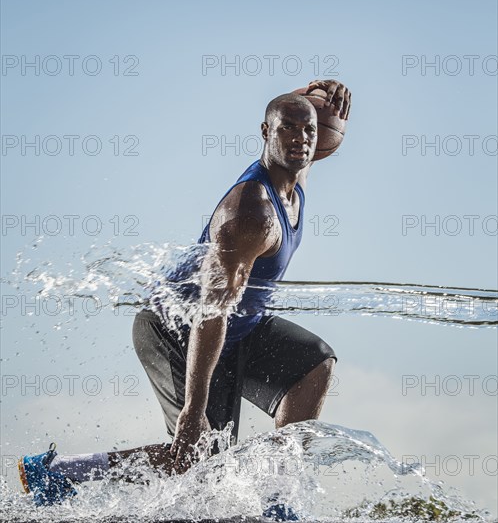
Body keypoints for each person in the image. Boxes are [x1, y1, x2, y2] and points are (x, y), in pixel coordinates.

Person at [18, 80, 351, 519]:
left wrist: (319, 99)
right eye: (287, 128)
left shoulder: (294, 181)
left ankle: (277, 499)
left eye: (308, 131)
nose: (300, 139)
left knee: (314, 364)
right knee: (195, 453)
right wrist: (193, 411)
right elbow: (210, 314)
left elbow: (305, 129)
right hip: (177, 328)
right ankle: (60, 473)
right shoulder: (251, 213)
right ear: (265, 132)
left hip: (240, 329)